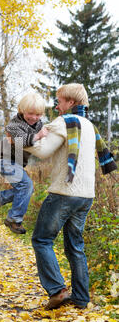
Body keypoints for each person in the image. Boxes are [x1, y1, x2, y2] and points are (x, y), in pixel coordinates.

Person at [25, 83, 117, 310]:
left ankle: (57, 291)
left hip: (64, 192)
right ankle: (81, 298)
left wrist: (20, 142)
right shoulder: (89, 125)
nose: (57, 106)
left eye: (60, 101)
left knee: (41, 239)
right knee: (75, 246)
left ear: (71, 103)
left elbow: (43, 151)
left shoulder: (65, 122)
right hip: (86, 195)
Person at [0, 92, 48, 234]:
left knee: (27, 190)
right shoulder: (14, 125)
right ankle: (14, 219)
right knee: (26, 185)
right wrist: (38, 136)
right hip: (6, 160)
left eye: (38, 114)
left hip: (17, 163)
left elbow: (43, 137)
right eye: (30, 113)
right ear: (22, 110)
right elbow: (22, 140)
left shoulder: (38, 124)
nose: (34, 118)